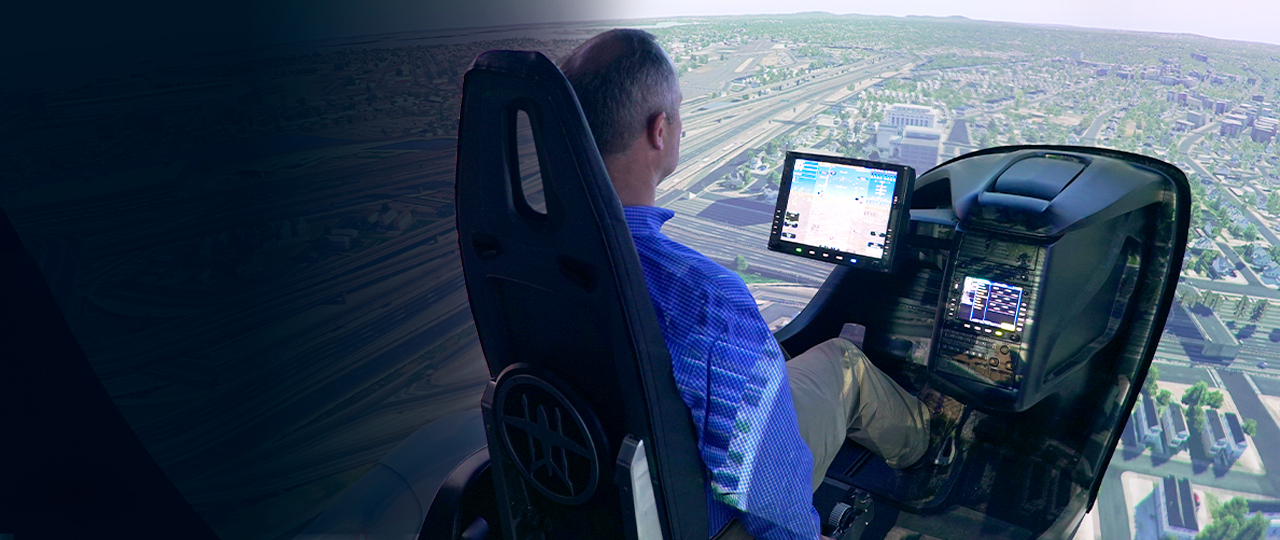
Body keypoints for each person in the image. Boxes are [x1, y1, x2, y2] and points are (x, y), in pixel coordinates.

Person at [559, 29, 932, 540]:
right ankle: (933, 454)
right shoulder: (707, 296)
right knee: (843, 361)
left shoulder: (531, 258)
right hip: (699, 518)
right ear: (660, 130)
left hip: (589, 497)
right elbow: (767, 492)